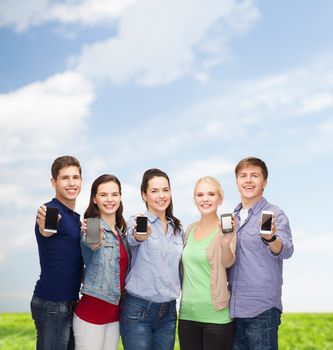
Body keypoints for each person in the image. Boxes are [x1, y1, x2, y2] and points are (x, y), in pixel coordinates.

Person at [228, 157, 294, 350]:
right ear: (237, 181)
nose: (248, 180)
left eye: (254, 176)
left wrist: (271, 238)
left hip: (261, 310)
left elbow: (287, 250)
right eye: (243, 176)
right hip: (233, 310)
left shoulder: (274, 214)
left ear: (264, 182)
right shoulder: (232, 217)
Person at [120, 168, 183, 350]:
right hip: (138, 310)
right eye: (154, 191)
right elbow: (133, 237)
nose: (161, 195)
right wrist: (141, 235)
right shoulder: (136, 221)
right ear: (144, 195)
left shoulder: (177, 229)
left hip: (169, 312)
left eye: (165, 190)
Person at [31, 155, 84, 350]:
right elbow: (46, 229)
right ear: (54, 182)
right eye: (65, 178)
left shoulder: (76, 218)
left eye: (75, 177)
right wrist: (45, 226)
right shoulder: (51, 211)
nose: (71, 183)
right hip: (52, 304)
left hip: (70, 303)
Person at [178, 176, 236, 350]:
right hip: (187, 316)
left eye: (211, 194)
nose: (205, 199)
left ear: (220, 199)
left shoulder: (227, 231)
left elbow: (228, 262)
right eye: (200, 194)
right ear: (195, 199)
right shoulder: (189, 229)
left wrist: (225, 242)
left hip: (216, 318)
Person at [73, 174, 130, 350]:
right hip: (91, 315)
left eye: (114, 194)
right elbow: (94, 242)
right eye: (104, 195)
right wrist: (94, 235)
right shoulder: (92, 225)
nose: (110, 199)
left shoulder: (121, 232)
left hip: (114, 316)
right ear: (95, 199)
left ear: (120, 197)